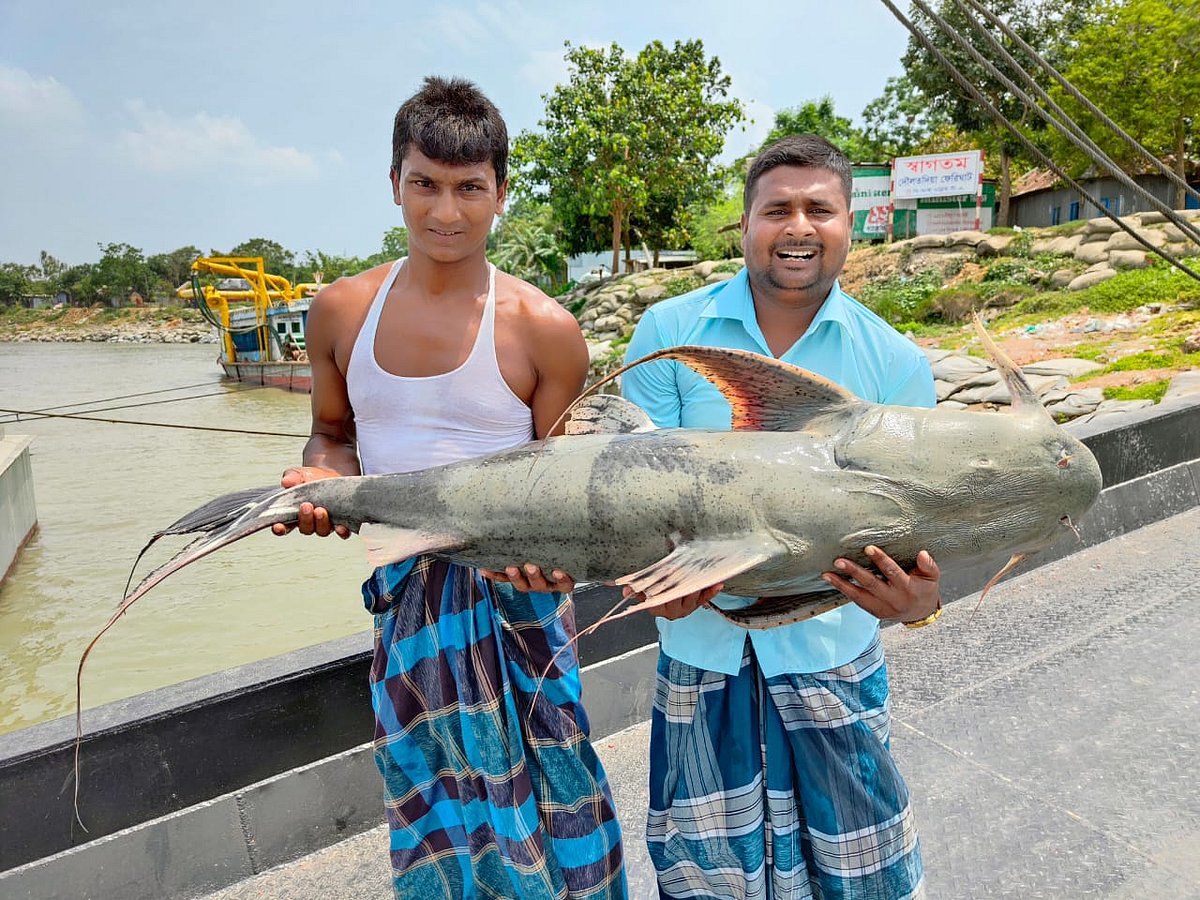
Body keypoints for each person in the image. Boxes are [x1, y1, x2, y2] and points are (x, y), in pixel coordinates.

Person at [273, 76, 626, 899]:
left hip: (522, 601)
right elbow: (333, 436)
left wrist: (558, 565)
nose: (446, 210)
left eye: (470, 188)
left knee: (557, 778)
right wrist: (322, 483)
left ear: (501, 194)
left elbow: (567, 481)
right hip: (408, 599)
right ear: (393, 181)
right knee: (429, 789)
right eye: (425, 183)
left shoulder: (544, 328)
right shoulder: (340, 313)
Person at [620, 134, 941, 899]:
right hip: (702, 659)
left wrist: (922, 607)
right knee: (709, 879)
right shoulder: (670, 336)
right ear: (745, 226)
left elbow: (917, 527)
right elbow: (635, 495)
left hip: (833, 662)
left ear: (849, 227)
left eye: (819, 209)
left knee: (860, 877)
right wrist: (650, 580)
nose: (798, 225)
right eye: (777, 209)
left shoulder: (896, 364)